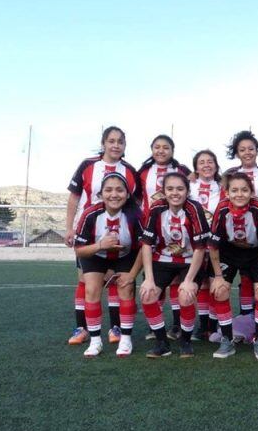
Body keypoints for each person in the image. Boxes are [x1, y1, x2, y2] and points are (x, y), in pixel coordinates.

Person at [65, 126, 140, 347]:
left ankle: (116, 327)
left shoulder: (130, 170)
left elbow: (136, 203)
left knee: (118, 278)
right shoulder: (88, 165)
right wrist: (69, 227)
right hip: (90, 231)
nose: (116, 145)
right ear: (103, 143)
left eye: (120, 142)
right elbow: (74, 197)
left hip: (120, 232)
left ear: (125, 146)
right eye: (111, 141)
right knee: (86, 280)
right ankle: (82, 328)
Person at [139, 171, 211, 358]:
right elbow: (146, 245)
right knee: (147, 294)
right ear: (163, 191)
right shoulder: (156, 208)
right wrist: (148, 279)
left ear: (187, 191)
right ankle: (162, 342)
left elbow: (200, 248)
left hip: (190, 260)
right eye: (170, 189)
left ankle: (185, 341)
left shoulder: (194, 209)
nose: (175, 193)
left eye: (180, 188)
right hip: (163, 258)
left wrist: (188, 281)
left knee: (186, 295)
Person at [73, 172, 142, 358]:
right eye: (108, 190)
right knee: (91, 289)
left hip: (125, 255)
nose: (114, 194)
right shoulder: (90, 214)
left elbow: (145, 248)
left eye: (120, 190)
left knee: (126, 288)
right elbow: (79, 250)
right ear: (101, 194)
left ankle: (126, 338)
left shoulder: (135, 215)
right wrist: (100, 245)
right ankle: (96, 341)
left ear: (127, 194)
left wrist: (132, 275)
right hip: (96, 254)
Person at [208, 172, 258, 360]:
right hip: (229, 252)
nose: (239, 194)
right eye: (234, 190)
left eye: (244, 190)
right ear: (227, 193)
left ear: (251, 192)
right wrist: (219, 276)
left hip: (255, 253)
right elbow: (213, 246)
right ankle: (227, 340)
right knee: (220, 291)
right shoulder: (221, 210)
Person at [138, 134, 191, 341]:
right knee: (152, 280)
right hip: (151, 231)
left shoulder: (183, 171)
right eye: (157, 147)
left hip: (180, 232)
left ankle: (177, 325)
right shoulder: (142, 172)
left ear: (172, 150)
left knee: (178, 280)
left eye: (166, 147)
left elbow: (190, 192)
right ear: (151, 150)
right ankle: (155, 327)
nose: (161, 151)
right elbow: (135, 198)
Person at [224, 130, 258, 323]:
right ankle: (246, 318)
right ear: (237, 153)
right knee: (244, 277)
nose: (247, 152)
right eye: (242, 149)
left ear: (257, 151)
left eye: (251, 149)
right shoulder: (230, 175)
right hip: (237, 235)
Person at [189, 149, 225, 340]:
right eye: (202, 162)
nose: (206, 165)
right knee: (202, 283)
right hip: (195, 243)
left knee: (215, 281)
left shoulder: (223, 186)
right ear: (196, 167)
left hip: (218, 242)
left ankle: (216, 324)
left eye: (210, 161)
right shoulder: (189, 186)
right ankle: (203, 326)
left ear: (216, 165)